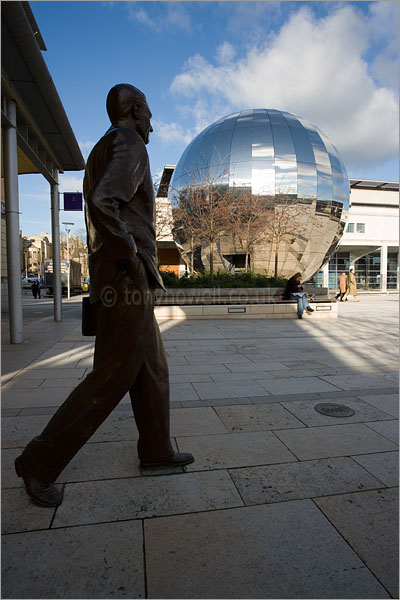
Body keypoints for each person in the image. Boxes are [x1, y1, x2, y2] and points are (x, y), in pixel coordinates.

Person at [15, 84, 194, 508]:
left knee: (152, 368)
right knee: (110, 376)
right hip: (126, 278)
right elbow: (102, 202)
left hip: (120, 279)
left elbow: (98, 203)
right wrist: (132, 256)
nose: (152, 121)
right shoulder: (129, 142)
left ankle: (155, 449)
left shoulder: (102, 147)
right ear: (134, 110)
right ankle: (38, 462)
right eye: (147, 112)